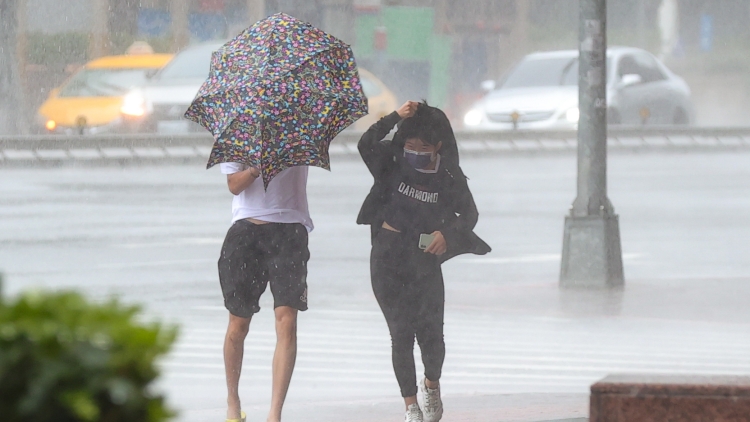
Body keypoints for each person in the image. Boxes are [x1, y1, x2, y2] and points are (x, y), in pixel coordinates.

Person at [357, 101, 491, 422]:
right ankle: (411, 407)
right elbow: (365, 144)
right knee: (400, 333)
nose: (415, 151)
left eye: (423, 147)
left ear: (438, 147)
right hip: (388, 257)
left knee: (432, 336)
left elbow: (470, 214)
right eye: (410, 145)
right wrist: (395, 117)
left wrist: (447, 233)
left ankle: (432, 384)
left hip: (424, 259)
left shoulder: (447, 173)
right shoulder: (391, 161)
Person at [217, 163, 313, 422]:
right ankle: (233, 403)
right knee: (238, 323)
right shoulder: (239, 130)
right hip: (245, 232)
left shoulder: (299, 129)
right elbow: (234, 186)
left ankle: (275, 414)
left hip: (290, 229)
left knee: (287, 321)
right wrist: (256, 168)